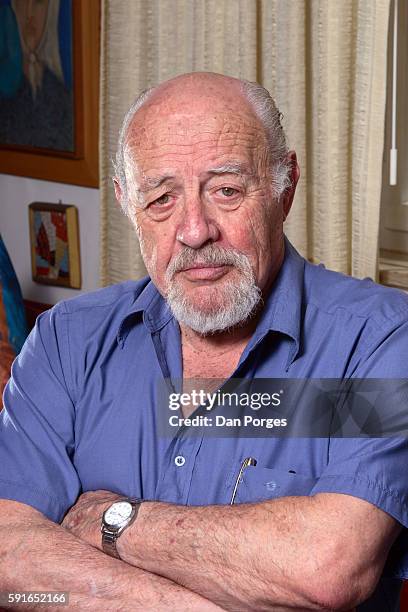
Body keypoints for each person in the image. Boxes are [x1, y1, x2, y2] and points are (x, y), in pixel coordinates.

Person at [1, 72, 408, 611]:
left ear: (285, 186)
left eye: (226, 190)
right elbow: (12, 562)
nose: (195, 231)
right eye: (162, 198)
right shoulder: (65, 342)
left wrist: (112, 523)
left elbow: (327, 567)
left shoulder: (378, 339)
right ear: (127, 202)